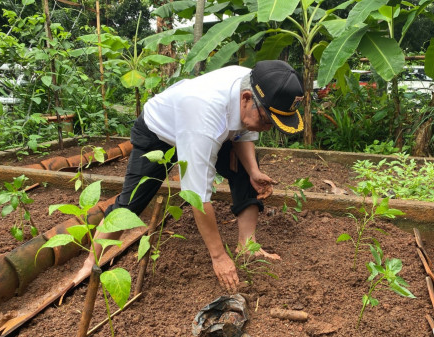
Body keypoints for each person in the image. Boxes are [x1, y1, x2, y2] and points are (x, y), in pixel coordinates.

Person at [73, 60, 304, 292]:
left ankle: (247, 245)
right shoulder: (204, 117)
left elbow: (241, 134)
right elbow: (196, 195)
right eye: (266, 120)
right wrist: (218, 257)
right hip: (158, 131)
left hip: (206, 125)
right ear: (245, 99)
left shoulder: (259, 84)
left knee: (245, 171)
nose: (266, 128)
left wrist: (253, 172)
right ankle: (90, 262)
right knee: (132, 202)